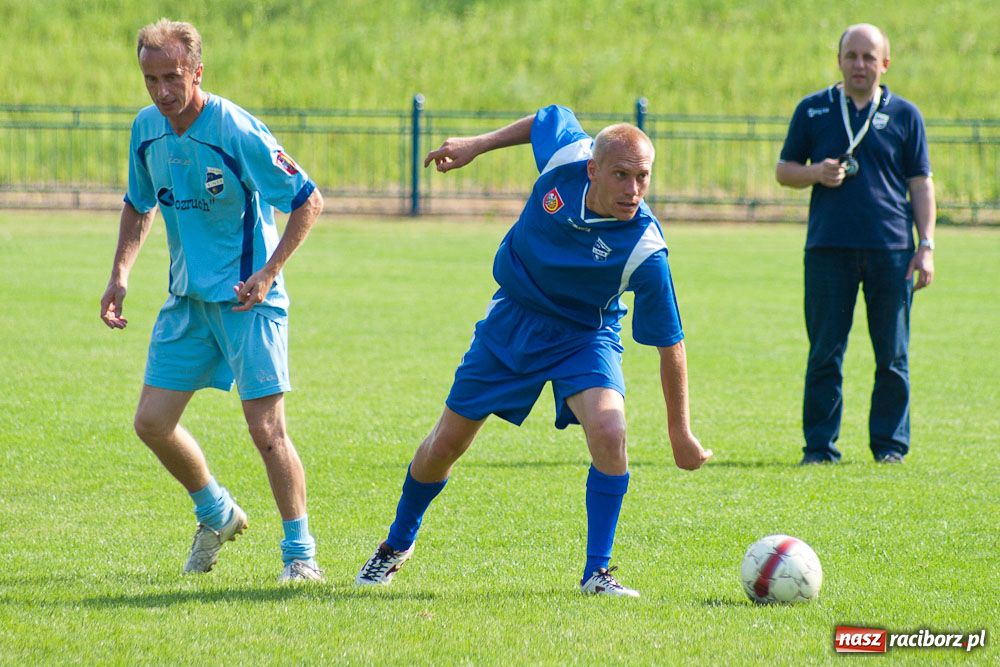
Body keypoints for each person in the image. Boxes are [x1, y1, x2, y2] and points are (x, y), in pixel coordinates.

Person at [355, 105, 712, 597]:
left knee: (610, 431)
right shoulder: (567, 156)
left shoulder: (646, 251)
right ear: (593, 168)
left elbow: (670, 343)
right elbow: (547, 116)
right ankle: (396, 544)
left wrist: (681, 432)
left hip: (586, 335)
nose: (633, 190)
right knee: (445, 446)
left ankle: (597, 573)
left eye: (643, 178)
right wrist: (476, 145)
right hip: (514, 320)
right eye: (621, 175)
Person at [99, 19, 325, 582]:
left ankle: (300, 558)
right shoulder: (147, 130)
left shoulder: (235, 129)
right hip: (188, 302)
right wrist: (120, 273)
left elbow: (308, 199)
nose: (161, 91)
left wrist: (270, 272)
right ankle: (216, 512)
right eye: (150, 79)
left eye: (172, 76)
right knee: (151, 422)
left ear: (197, 72)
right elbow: (138, 202)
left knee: (266, 431)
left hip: (248, 300)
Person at [776, 24, 936, 465]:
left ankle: (890, 448)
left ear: (885, 63)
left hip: (892, 251)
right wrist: (816, 173)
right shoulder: (813, 110)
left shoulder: (906, 115)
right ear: (839, 60)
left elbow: (920, 183)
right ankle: (820, 448)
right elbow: (784, 169)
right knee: (825, 351)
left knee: (893, 355)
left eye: (869, 57)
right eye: (852, 56)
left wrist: (927, 245)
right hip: (828, 249)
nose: (860, 65)